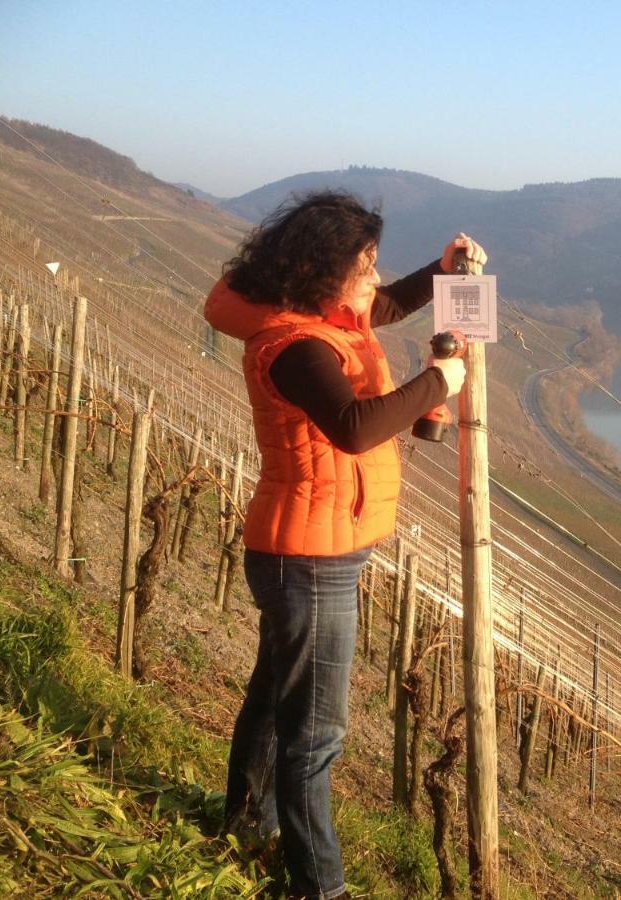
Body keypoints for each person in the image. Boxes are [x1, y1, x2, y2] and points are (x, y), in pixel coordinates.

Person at [204, 191, 486, 899]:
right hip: (308, 557)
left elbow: (383, 305)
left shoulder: (321, 316)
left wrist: (443, 270)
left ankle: (243, 824)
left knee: (276, 697)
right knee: (317, 734)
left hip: (314, 545)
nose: (372, 276)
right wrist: (436, 383)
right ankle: (318, 888)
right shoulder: (295, 346)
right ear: (325, 269)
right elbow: (355, 427)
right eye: (363, 264)